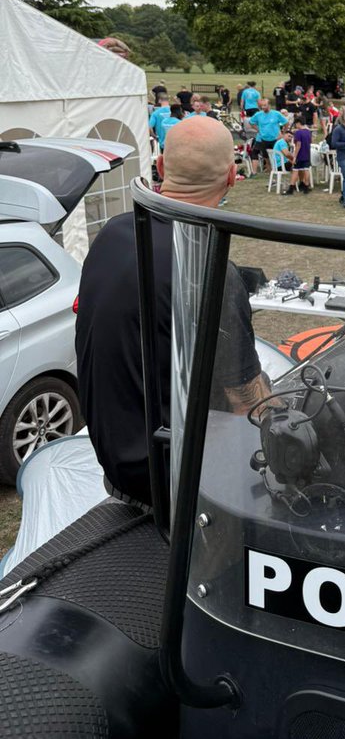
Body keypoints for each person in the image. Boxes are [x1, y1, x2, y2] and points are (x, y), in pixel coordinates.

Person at [75, 116, 269, 508]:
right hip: (175, 485)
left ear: (160, 167)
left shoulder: (113, 234)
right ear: (232, 177)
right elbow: (246, 401)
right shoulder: (209, 269)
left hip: (117, 466)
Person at [247, 98, 290, 173]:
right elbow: (251, 122)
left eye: (265, 105)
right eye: (262, 106)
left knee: (276, 154)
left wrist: (283, 133)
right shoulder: (258, 114)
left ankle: (279, 168)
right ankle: (269, 169)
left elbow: (286, 123)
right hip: (263, 138)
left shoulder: (276, 114)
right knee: (265, 156)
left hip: (275, 138)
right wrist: (258, 129)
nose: (263, 107)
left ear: (269, 105)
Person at [284, 116, 313, 196]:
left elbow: (298, 145)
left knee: (295, 171)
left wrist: (295, 156)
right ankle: (306, 186)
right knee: (306, 170)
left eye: (296, 124)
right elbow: (310, 142)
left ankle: (291, 188)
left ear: (298, 123)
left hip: (300, 155)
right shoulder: (308, 132)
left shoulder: (298, 133)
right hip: (307, 154)